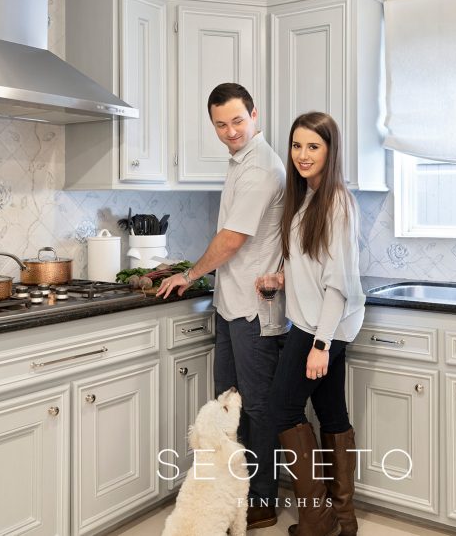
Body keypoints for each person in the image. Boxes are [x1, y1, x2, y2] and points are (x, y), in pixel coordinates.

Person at [156, 82, 286, 530]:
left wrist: (189, 274)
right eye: (220, 124)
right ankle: (230, 493)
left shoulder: (261, 169)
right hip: (231, 304)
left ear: (255, 115)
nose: (230, 130)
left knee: (256, 408)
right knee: (229, 405)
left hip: (254, 307)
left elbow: (233, 239)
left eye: (237, 120)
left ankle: (264, 498)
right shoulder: (240, 160)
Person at [262, 112, 365, 536]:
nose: (303, 155)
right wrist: (281, 278)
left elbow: (337, 285)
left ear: (330, 151)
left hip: (323, 326)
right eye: (297, 145)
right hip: (320, 321)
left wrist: (320, 345)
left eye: (313, 147)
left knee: (280, 409)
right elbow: (314, 265)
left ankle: (316, 520)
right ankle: (343, 517)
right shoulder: (305, 196)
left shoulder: (336, 201)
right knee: (330, 411)